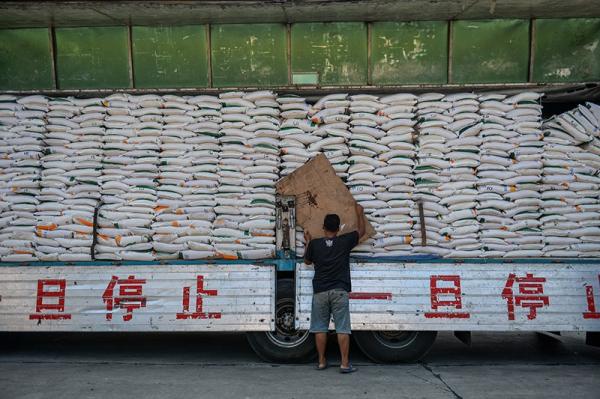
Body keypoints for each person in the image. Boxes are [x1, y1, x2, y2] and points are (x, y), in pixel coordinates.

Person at [303, 203, 365, 374]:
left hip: (320, 291)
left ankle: (322, 362)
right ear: (338, 229)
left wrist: (307, 242)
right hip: (339, 290)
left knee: (320, 328)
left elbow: (307, 261)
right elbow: (362, 232)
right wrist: (359, 214)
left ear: (323, 228)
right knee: (343, 328)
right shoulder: (345, 241)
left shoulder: (315, 244)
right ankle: (345, 364)